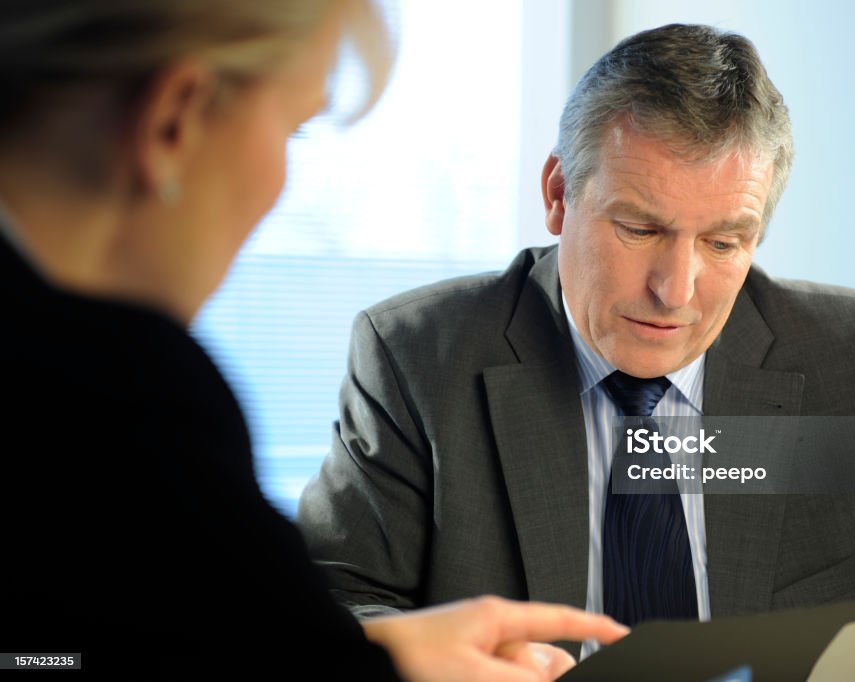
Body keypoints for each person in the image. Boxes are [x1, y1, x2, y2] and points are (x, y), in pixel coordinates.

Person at [296, 23, 855, 679]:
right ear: (557, 192)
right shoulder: (416, 356)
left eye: (723, 242)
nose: (676, 290)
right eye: (640, 230)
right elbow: (328, 608)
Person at [0, 1, 628, 679]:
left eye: (723, 240)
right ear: (174, 119)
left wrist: (367, 656)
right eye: (293, 129)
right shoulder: (121, 398)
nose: (676, 287)